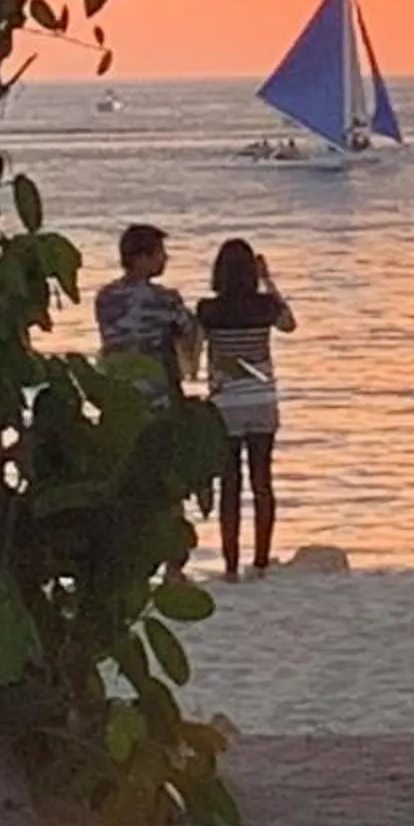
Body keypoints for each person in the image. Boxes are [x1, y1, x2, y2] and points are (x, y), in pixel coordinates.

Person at [197, 237, 298, 580]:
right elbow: (289, 324)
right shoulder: (265, 306)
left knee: (230, 484)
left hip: (225, 403)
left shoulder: (208, 310)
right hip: (261, 401)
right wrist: (269, 279)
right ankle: (261, 562)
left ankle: (229, 566)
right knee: (262, 481)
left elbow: (193, 348)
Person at [92, 223, 196, 400]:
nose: (165, 258)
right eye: (159, 252)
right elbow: (188, 330)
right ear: (141, 258)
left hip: (116, 384)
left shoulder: (105, 296)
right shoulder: (164, 298)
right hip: (156, 387)